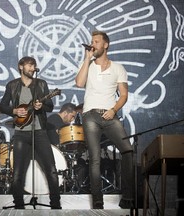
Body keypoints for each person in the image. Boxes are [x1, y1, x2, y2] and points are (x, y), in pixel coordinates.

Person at [75, 30, 134, 209]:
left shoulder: (118, 68)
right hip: (90, 115)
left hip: (109, 114)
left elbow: (123, 95)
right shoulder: (89, 65)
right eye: (92, 41)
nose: (93, 44)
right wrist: (87, 58)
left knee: (128, 151)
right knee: (94, 158)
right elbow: (79, 83)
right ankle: (98, 201)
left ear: (106, 45)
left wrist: (114, 109)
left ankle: (128, 197)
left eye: (97, 41)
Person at [0, 56, 61, 209]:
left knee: (51, 169)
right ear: (21, 67)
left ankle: (56, 205)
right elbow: (2, 106)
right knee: (17, 173)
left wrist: (42, 106)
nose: (32, 68)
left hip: (40, 131)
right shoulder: (12, 85)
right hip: (21, 133)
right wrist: (14, 110)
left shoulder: (41, 84)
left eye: (34, 65)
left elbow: (50, 107)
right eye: (29, 65)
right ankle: (19, 206)